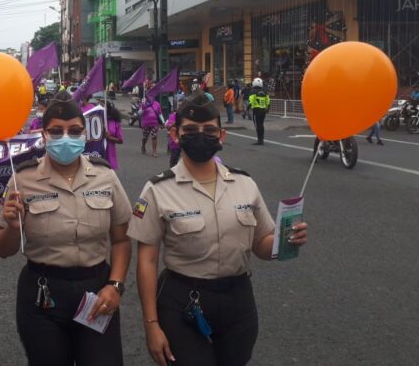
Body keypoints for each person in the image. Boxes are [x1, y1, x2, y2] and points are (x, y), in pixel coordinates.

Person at [129, 93, 309, 366]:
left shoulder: (244, 184)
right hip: (182, 301)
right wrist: (151, 324)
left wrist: (286, 241)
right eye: (190, 130)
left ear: (222, 136)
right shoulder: (157, 190)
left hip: (238, 301)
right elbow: (147, 260)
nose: (201, 135)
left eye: (210, 130)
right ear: (175, 134)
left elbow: (261, 242)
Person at [0, 97, 133, 366]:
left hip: (97, 291)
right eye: (56, 131)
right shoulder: (23, 179)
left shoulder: (105, 175)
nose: (65, 137)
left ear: (84, 133)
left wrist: (115, 285)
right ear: (44, 135)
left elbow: (121, 240)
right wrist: (12, 227)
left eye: (74, 130)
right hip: (43, 296)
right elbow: (3, 249)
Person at [248, 78, 270, 146]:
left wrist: (248, 108)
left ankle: (259, 140)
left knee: (258, 125)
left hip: (257, 110)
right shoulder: (265, 91)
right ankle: (261, 139)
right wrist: (267, 109)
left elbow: (251, 101)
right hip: (263, 110)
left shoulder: (253, 91)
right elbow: (268, 101)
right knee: (261, 124)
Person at [104, 101, 124, 171]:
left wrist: (109, 138)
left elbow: (120, 140)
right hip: (97, 153)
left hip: (109, 153)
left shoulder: (115, 122)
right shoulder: (96, 119)